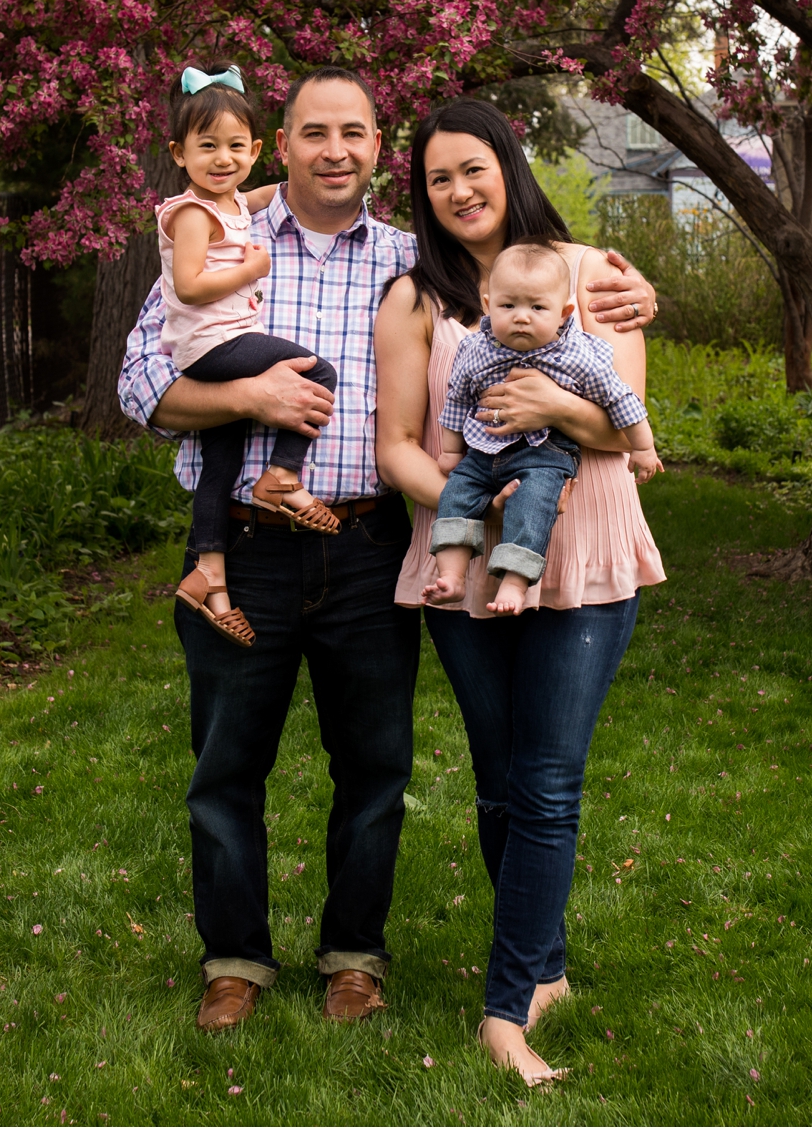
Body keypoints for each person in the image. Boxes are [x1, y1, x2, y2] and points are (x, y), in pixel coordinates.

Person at [117, 68, 661, 1036]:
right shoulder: (218, 238)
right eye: (314, 130)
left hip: (370, 543)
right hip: (243, 544)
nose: (335, 148)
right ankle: (234, 957)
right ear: (279, 142)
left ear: (378, 149)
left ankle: (355, 957)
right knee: (225, 766)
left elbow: (543, 289)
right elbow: (141, 385)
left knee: (374, 766)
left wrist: (618, 282)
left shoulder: (421, 263)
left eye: (355, 132)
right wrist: (248, 399)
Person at [373, 97, 666, 1086]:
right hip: (469, 561)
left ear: (510, 162)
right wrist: (485, 518)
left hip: (583, 555)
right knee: (501, 780)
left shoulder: (591, 273)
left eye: (474, 167)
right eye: (438, 176)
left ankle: (505, 1010)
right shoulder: (417, 298)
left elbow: (624, 421)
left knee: (546, 779)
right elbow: (397, 449)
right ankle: (544, 966)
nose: (458, 189)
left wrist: (551, 404)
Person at [154, 66, 341, 647]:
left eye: (236, 146)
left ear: (258, 151)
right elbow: (186, 286)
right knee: (318, 369)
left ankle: (209, 574)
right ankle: (283, 477)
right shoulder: (191, 213)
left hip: (210, 346)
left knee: (221, 457)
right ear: (178, 154)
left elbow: (260, 196)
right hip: (214, 344)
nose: (222, 158)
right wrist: (251, 270)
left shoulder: (231, 201)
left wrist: (283, 187)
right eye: (206, 147)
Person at [423, 241, 659, 613]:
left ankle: (514, 583)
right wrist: (452, 451)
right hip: (483, 451)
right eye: (508, 306)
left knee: (533, 506)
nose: (521, 317)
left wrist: (643, 447)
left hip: (544, 456)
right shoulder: (474, 349)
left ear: (564, 313)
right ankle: (451, 575)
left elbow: (621, 399)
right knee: (455, 496)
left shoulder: (577, 356)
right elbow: (457, 400)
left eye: (537, 307)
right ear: (488, 305)